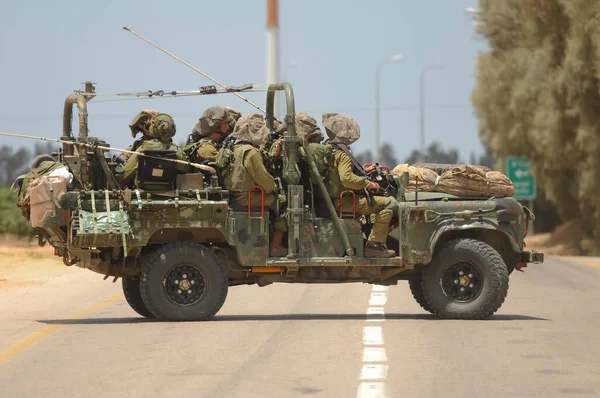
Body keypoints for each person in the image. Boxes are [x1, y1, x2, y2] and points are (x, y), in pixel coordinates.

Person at [322, 113, 399, 258]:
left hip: (332, 200)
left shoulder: (327, 149)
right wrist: (368, 184)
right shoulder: (343, 153)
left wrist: (363, 172)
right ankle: (375, 245)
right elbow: (347, 179)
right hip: (344, 201)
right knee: (389, 203)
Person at [224, 113, 287, 256]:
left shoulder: (235, 148)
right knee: (283, 203)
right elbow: (263, 179)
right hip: (248, 197)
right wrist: (276, 190)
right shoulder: (251, 152)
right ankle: (276, 246)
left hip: (237, 196)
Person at [118, 113, 187, 188]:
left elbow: (126, 174)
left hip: (143, 193)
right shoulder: (176, 150)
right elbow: (186, 171)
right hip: (170, 192)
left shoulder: (143, 149)